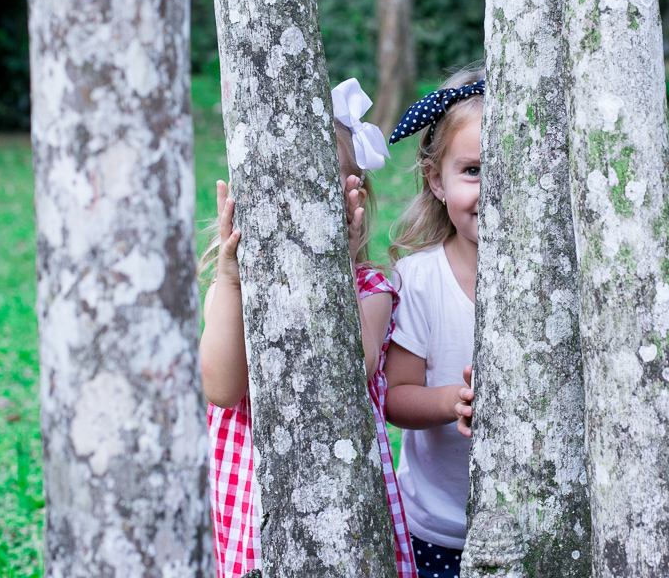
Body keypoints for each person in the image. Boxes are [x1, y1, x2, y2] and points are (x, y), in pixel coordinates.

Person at [197, 78, 416, 578]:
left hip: (343, 496)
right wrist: (231, 281)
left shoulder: (369, 290)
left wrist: (333, 267)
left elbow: (348, 371)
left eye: (319, 187)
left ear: (353, 199)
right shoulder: (228, 296)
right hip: (256, 507)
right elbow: (224, 389)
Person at [384, 66, 483, 578]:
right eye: (473, 170)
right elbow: (395, 396)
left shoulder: (569, 285)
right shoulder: (418, 280)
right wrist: (452, 400)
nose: (495, 188)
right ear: (435, 181)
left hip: (544, 521)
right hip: (436, 530)